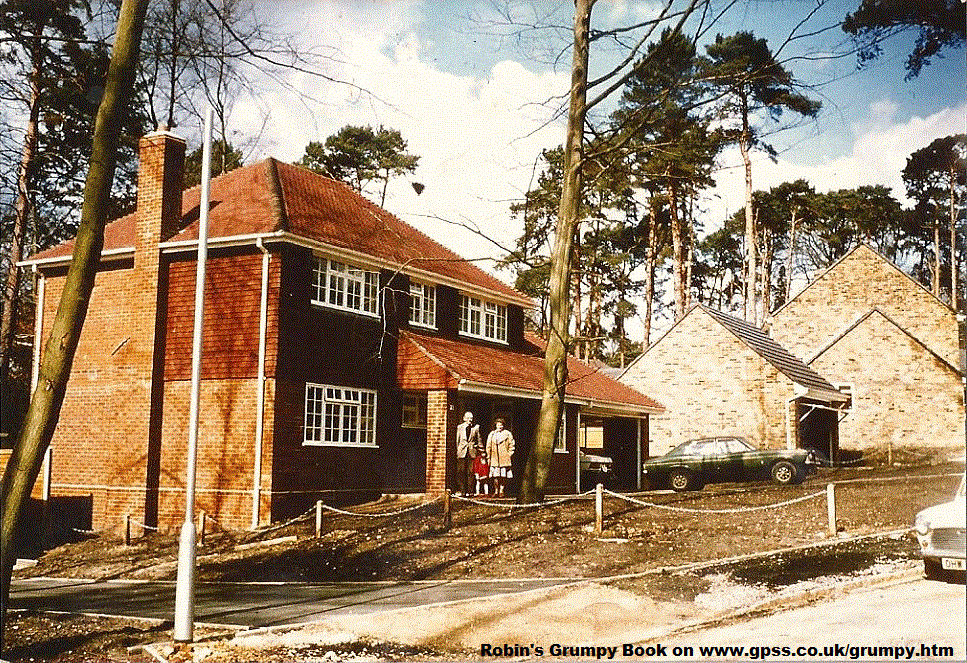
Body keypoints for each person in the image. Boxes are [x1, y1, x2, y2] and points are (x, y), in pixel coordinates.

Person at [486, 417, 515, 497]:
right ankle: (496, 490)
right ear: (496, 425)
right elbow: (488, 446)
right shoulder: (492, 434)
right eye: (498, 425)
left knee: (503, 476)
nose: (500, 427)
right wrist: (489, 457)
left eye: (501, 425)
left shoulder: (507, 434)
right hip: (494, 458)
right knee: (495, 476)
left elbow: (511, 445)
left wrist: (509, 454)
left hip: (504, 458)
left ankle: (502, 490)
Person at [455, 411, 482, 496]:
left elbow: (479, 439)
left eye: (471, 418)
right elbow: (457, 440)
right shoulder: (460, 427)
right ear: (464, 418)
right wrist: (458, 450)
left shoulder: (476, 428)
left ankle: (470, 491)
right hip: (462, 452)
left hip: (471, 452)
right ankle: (462, 490)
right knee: (461, 471)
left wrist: (480, 449)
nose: (469, 420)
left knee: (470, 472)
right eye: (468, 418)